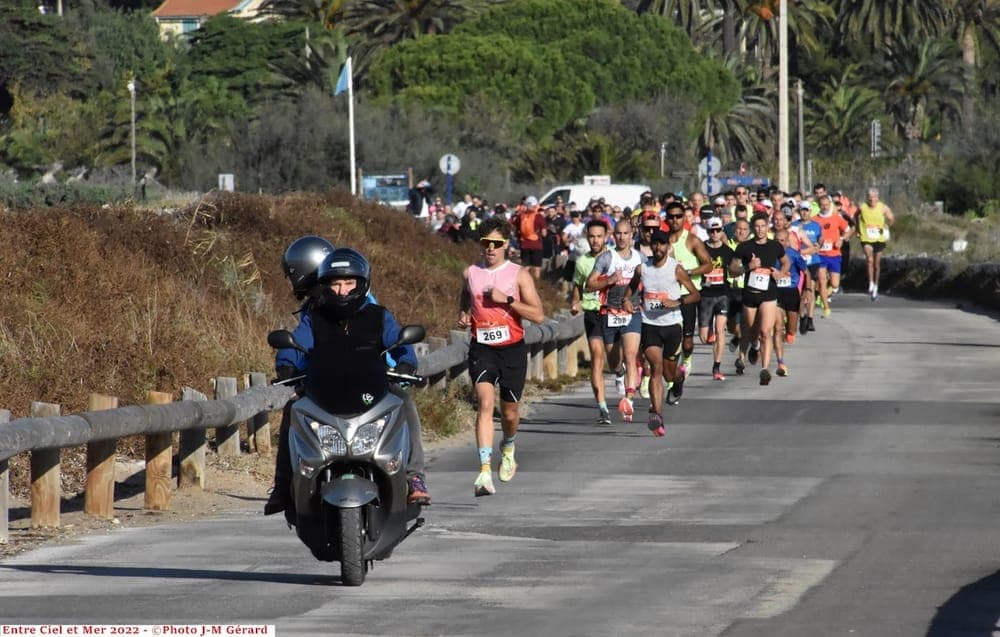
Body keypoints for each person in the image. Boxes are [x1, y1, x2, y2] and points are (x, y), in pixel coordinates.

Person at [265, 245, 430, 516]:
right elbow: (295, 344)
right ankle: (283, 486)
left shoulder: (378, 315)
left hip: (372, 386)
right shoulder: (315, 317)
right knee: (292, 410)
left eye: (349, 283)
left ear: (362, 283)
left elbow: (396, 339)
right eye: (336, 283)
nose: (342, 290)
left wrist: (406, 362)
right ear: (325, 285)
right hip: (324, 387)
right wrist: (286, 365)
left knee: (404, 401)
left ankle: (414, 476)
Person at [459, 216, 545, 497]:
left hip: (512, 349)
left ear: (506, 244)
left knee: (509, 412)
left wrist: (506, 299)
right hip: (482, 347)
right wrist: (463, 313)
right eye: (486, 243)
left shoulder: (519, 274)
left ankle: (508, 445)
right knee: (485, 403)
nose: (490, 249)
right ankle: (484, 471)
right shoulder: (470, 272)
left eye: (496, 243)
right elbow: (465, 296)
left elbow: (538, 314)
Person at [629, 229, 699, 436]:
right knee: (655, 368)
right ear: (651, 246)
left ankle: (679, 380)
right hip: (649, 324)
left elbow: (695, 294)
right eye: (655, 244)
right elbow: (632, 287)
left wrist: (677, 301)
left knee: (670, 373)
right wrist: (626, 299)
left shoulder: (676, 270)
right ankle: (657, 416)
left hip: (672, 326)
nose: (658, 248)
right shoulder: (642, 268)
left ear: (668, 247)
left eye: (662, 244)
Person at [586, 218, 644, 423]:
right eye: (618, 233)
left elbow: (649, 280)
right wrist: (609, 280)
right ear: (614, 236)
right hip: (609, 314)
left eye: (625, 233)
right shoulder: (606, 258)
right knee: (614, 362)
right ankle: (619, 374)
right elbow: (589, 284)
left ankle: (628, 398)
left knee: (630, 355)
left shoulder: (640, 258)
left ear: (631, 236)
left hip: (632, 311)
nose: (621, 237)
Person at [729, 215, 790, 385]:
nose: (760, 229)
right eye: (757, 226)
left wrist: (780, 273)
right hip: (750, 293)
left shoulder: (775, 246)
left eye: (763, 226)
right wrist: (749, 267)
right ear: (752, 228)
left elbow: (786, 262)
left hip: (768, 295)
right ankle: (748, 351)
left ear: (767, 227)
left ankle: (764, 369)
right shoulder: (744, 247)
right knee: (749, 331)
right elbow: (732, 269)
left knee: (765, 332)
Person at [664, 201, 713, 380]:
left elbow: (708, 265)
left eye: (678, 216)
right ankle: (669, 373)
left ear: (684, 217)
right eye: (671, 216)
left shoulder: (692, 240)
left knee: (687, 342)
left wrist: (689, 272)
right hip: (667, 296)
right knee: (670, 339)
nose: (675, 220)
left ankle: (687, 357)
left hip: (688, 295)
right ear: (666, 218)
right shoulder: (662, 240)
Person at [570, 219, 612, 424]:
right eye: (592, 236)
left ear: (606, 237)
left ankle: (621, 372)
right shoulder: (582, 262)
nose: (595, 240)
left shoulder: (614, 257)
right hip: (593, 313)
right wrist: (575, 302)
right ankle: (602, 407)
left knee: (616, 358)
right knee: (597, 355)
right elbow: (577, 286)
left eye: (599, 236)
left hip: (615, 312)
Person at [699, 217, 735, 381]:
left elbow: (735, 269)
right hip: (705, 295)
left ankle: (717, 367)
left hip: (722, 294)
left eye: (718, 230)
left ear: (722, 231)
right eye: (711, 231)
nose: (715, 234)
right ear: (707, 232)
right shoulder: (701, 249)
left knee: (721, 330)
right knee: (704, 337)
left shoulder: (728, 252)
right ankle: (709, 330)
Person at [857, 187, 895, 301]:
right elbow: (855, 216)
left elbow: (892, 218)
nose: (871, 199)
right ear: (867, 197)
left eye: (873, 197)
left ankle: (876, 285)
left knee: (877, 264)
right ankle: (870, 283)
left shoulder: (883, 207)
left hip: (879, 238)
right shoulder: (862, 207)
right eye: (869, 197)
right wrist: (859, 229)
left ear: (877, 197)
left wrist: (888, 225)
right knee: (869, 260)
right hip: (866, 237)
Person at [512, 196, 547, 280]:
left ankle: (524, 284)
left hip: (524, 245)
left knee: (525, 268)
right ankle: (536, 285)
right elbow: (544, 233)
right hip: (536, 245)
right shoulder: (539, 217)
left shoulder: (521, 216)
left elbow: (514, 227)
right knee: (536, 268)